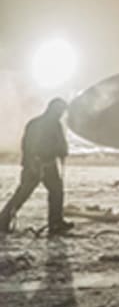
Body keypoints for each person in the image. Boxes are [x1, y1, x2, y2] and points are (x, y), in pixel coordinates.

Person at [0, 98, 75, 235]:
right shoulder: (37, 124)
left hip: (49, 164)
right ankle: (3, 220)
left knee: (56, 192)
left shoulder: (54, 124)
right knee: (24, 193)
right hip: (34, 165)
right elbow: (28, 146)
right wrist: (32, 162)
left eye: (62, 111)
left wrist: (62, 151)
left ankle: (56, 222)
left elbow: (59, 143)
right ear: (52, 109)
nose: (61, 114)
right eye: (60, 110)